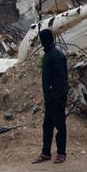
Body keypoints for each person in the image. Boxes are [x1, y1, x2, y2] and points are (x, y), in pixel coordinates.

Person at [33, 29, 69, 164]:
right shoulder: (49, 54)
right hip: (50, 98)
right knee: (47, 126)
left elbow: (61, 79)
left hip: (56, 98)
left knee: (60, 125)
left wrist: (56, 96)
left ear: (44, 40)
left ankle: (61, 153)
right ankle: (46, 153)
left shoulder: (56, 55)